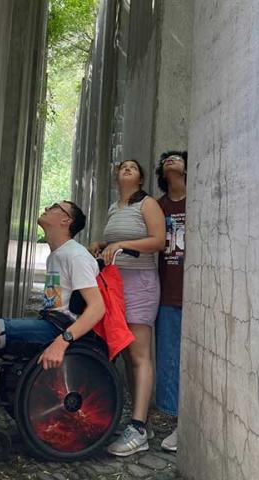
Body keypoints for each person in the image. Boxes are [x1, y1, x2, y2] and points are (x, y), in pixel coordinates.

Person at [89, 159, 165, 456]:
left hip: (141, 283)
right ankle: (141, 418)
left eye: (133, 167)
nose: (127, 169)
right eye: (122, 167)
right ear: (116, 176)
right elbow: (112, 242)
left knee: (139, 354)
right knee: (125, 353)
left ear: (141, 178)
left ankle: (138, 429)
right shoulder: (113, 207)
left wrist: (122, 245)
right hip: (115, 284)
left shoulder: (147, 204)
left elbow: (159, 241)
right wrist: (101, 244)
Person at [0, 201, 105, 370]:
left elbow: (97, 308)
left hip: (59, 329)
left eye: (55, 207)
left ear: (66, 220)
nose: (47, 208)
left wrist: (63, 341)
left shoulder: (76, 256)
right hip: (49, 322)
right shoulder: (57, 255)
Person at [154, 151, 187, 452]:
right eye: (166, 160)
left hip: (198, 294)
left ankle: (187, 424)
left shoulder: (199, 200)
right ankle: (178, 420)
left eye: (177, 158)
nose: (171, 161)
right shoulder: (158, 206)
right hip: (167, 292)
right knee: (169, 359)